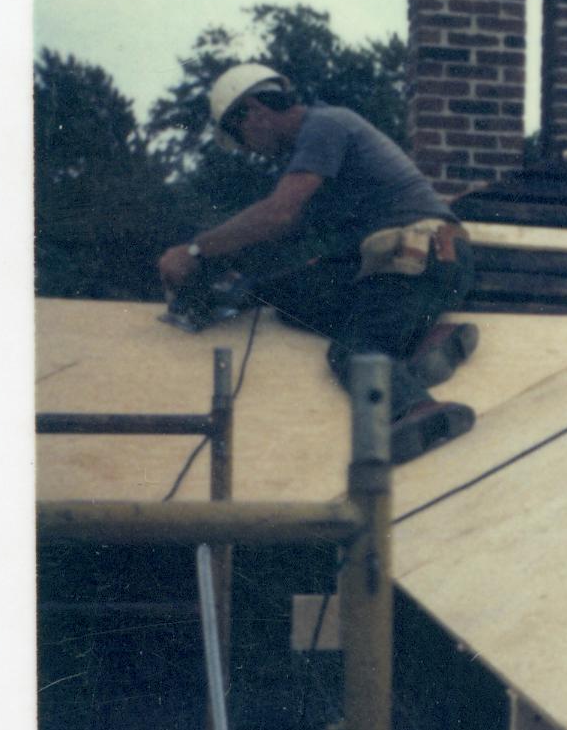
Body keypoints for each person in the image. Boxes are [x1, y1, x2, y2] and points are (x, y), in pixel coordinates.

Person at [159, 64, 482, 463]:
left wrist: (194, 252)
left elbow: (276, 214)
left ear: (254, 110)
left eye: (241, 136)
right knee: (287, 297)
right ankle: (425, 340)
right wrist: (223, 277)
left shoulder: (324, 127)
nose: (247, 149)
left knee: (352, 352)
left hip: (420, 254)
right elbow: (277, 235)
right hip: (415, 263)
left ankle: (418, 411)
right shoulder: (312, 150)